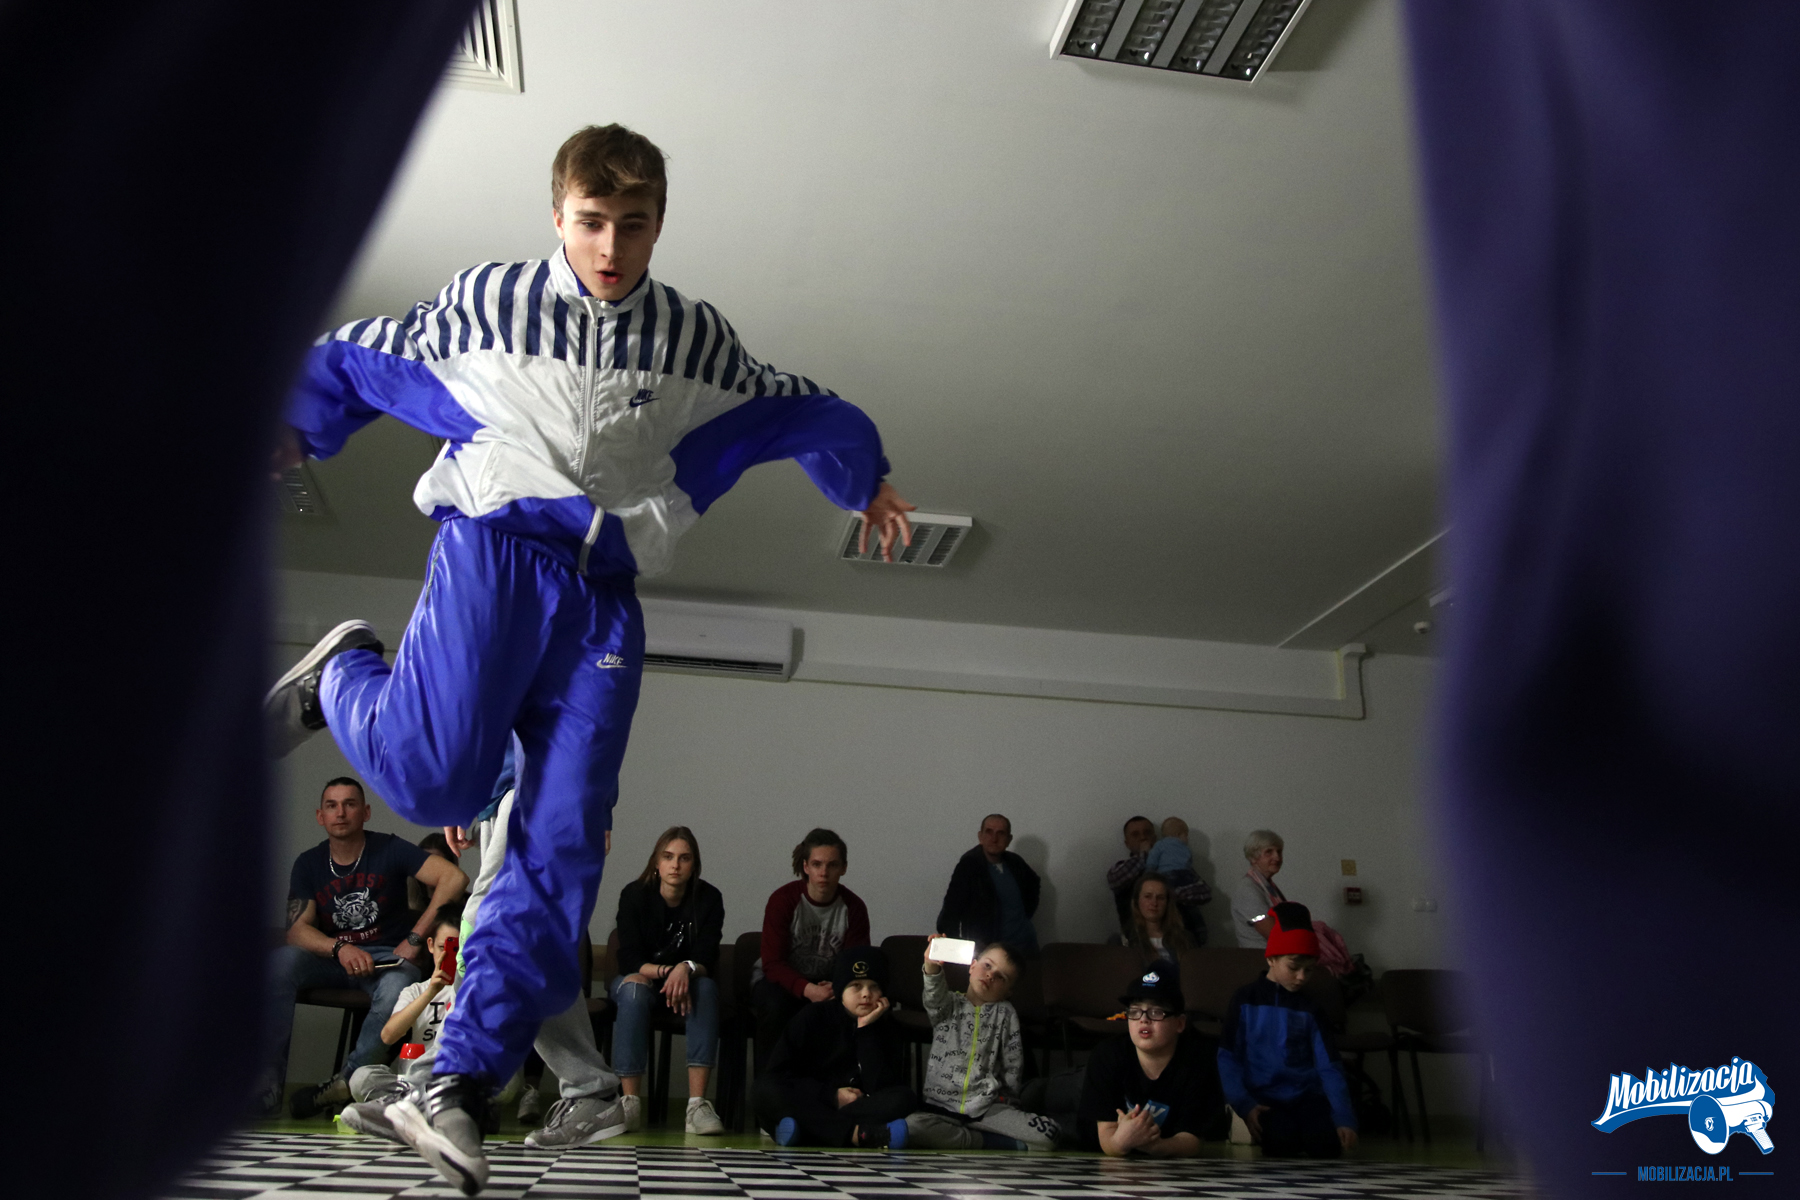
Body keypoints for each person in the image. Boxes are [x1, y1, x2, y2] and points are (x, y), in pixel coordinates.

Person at [263, 122, 916, 1192]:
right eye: (592, 222)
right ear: (559, 215)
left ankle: (456, 1081)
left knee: (561, 848)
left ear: (661, 224)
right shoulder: (492, 301)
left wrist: (863, 476)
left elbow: (790, 404)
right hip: (496, 551)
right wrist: (293, 423)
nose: (611, 248)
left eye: (635, 225)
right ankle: (344, 670)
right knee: (437, 782)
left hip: (605, 601)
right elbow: (365, 353)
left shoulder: (694, 338)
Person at [442, 748, 630, 1151]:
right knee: (533, 951)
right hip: (499, 796)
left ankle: (452, 1083)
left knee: (485, 923)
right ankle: (591, 1090)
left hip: (541, 790)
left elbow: (593, 717)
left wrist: (598, 804)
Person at [264, 777, 467, 1118]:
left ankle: (347, 1081)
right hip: (331, 959)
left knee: (399, 985)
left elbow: (454, 878)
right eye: (332, 806)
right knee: (280, 964)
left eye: (350, 804)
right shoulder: (309, 863)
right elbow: (297, 931)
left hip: (387, 959)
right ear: (320, 816)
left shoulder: (389, 848)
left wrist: (415, 938)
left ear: (366, 812)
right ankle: (266, 1082)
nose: (341, 813)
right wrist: (339, 949)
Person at [1216, 902, 1356, 1158]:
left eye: (1308, 970)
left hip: (1306, 1097)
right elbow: (1228, 1057)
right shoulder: (1245, 999)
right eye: (1294, 967)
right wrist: (1245, 1105)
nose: (1301, 977)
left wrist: (1343, 1118)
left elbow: (1329, 1066)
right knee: (1281, 1145)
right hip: (1265, 1099)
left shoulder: (1310, 1008)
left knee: (1325, 1146)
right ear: (1271, 959)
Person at [611, 826, 726, 1135]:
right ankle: (629, 1102)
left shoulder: (709, 898)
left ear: (694, 864)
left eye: (684, 858)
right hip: (644, 980)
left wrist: (684, 969)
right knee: (633, 990)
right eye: (668, 857)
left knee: (706, 988)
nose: (675, 865)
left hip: (688, 985)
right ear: (656, 863)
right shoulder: (634, 895)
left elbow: (707, 955)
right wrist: (668, 971)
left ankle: (697, 1105)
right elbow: (628, 958)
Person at [903, 938, 1059, 1151]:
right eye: (987, 966)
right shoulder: (947, 1005)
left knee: (1049, 1135)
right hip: (941, 1107)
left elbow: (1013, 1063)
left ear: (1008, 992)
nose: (990, 976)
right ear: (972, 966)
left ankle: (972, 1135)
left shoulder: (1006, 1014)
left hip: (987, 1109)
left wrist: (1010, 1103)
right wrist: (932, 965)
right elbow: (933, 993)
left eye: (1001, 977)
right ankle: (986, 1141)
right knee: (912, 1127)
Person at [755, 946, 914, 1148]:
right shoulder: (812, 1017)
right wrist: (832, 1096)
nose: (866, 994)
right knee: (763, 1090)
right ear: (840, 991)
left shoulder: (887, 1026)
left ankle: (807, 1131)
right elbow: (778, 1075)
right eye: (856, 986)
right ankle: (857, 1134)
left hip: (857, 1106)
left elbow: (882, 1087)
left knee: (904, 1098)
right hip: (818, 1098)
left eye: (874, 987)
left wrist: (866, 1031)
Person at [338, 902, 466, 1142]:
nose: (447, 956)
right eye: (443, 947)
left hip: (459, 1079)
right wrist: (432, 992)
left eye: (458, 949)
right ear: (430, 945)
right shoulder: (415, 991)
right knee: (362, 1077)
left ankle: (411, 1110)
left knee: (506, 1082)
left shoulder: (477, 989)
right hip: (414, 1079)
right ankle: (429, 1109)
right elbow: (388, 1036)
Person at [1077, 960, 1221, 1157]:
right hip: (1077, 1093)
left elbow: (1192, 1141)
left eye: (1156, 1012)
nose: (1144, 1020)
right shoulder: (1107, 1055)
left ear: (1180, 1023)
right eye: (1135, 1012)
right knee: (1043, 1098)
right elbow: (1107, 1137)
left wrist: (1153, 1146)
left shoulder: (1199, 1062)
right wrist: (1120, 1141)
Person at [751, 828, 870, 1065]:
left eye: (832, 865)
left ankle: (832, 1084)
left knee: (844, 1010)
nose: (824, 873)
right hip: (778, 981)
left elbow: (855, 962)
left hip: (828, 984)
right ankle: (770, 1082)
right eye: (817, 864)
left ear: (843, 868)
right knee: (775, 1006)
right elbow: (773, 963)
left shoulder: (854, 908)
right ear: (805, 867)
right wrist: (807, 989)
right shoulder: (783, 900)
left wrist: (839, 986)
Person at [935, 813, 1041, 955]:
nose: (994, 839)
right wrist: (953, 951)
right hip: (988, 953)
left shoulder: (1016, 863)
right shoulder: (969, 865)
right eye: (989, 832)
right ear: (980, 836)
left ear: (1009, 839)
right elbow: (951, 910)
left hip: (1025, 949)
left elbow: (1034, 886)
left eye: (1000, 833)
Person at [1229, 830, 1287, 948]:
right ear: (1253, 858)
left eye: (1279, 851)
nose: (1277, 857)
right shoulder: (1247, 890)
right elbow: (1273, 933)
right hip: (1260, 956)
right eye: (1269, 852)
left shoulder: (1267, 885)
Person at [1118, 872, 1196, 960]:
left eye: (1160, 898)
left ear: (1167, 903)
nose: (1154, 903)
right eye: (1148, 896)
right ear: (1137, 901)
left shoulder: (1185, 939)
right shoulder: (1126, 940)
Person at [1106, 815, 1158, 928]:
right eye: (1135, 834)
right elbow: (1115, 880)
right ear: (1127, 843)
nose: (1143, 837)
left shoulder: (1171, 863)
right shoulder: (1120, 867)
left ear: (1155, 838)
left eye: (1147, 832)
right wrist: (1144, 854)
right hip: (1137, 933)